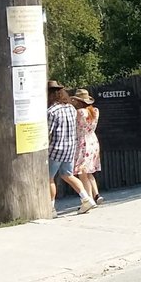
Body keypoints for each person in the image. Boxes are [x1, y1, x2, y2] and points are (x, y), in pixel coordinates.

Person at [47, 81, 97, 214]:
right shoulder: (70, 108)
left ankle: (51, 207)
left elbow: (48, 131)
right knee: (67, 174)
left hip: (56, 148)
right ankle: (86, 199)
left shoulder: (51, 111)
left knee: (49, 178)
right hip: (70, 147)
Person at [71, 88, 103, 205]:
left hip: (82, 141)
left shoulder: (79, 112)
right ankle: (96, 194)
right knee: (89, 171)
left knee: (82, 172)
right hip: (93, 140)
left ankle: (89, 198)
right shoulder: (95, 110)